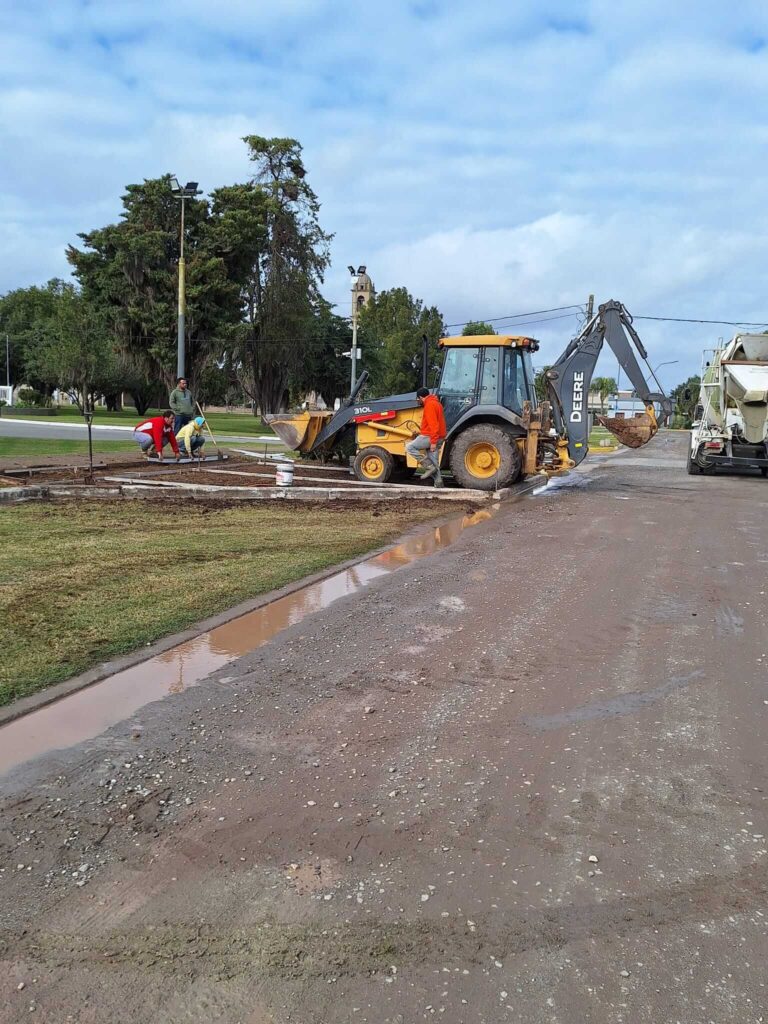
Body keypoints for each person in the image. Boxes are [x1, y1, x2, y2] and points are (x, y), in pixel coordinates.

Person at [406, 387, 447, 487]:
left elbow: (433, 425)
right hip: (439, 436)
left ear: (421, 397)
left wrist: (433, 442)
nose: (418, 401)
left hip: (430, 436)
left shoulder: (429, 405)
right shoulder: (437, 403)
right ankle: (439, 483)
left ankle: (428, 466)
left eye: (418, 399)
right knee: (434, 461)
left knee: (410, 447)